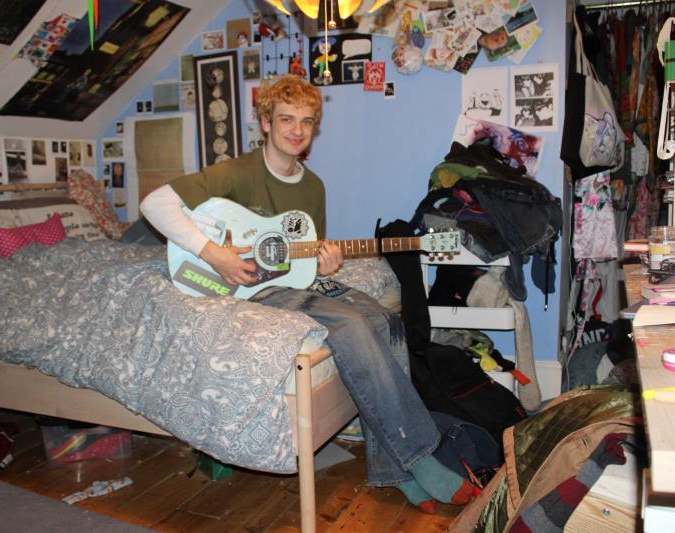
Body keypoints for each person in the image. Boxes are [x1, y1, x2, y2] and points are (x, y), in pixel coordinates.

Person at [140, 75, 476, 514]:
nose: (296, 130)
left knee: (384, 319)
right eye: (286, 120)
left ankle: (394, 467)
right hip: (248, 287)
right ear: (265, 122)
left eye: (306, 121)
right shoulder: (237, 172)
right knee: (351, 323)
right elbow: (154, 204)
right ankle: (419, 459)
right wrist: (215, 254)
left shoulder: (313, 186)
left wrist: (325, 260)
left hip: (291, 282)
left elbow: (302, 258)